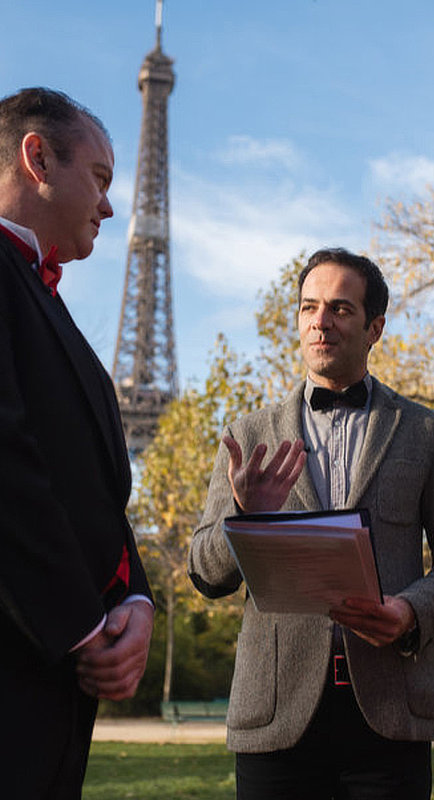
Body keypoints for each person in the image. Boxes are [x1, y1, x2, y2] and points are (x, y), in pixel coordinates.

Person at [189, 247, 434, 799]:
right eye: (308, 307)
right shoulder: (248, 434)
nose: (320, 322)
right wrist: (244, 518)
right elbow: (206, 574)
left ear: (375, 327)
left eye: (340, 309)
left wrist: (411, 612)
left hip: (391, 711)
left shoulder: (427, 432)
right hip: (274, 714)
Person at [0, 88, 154, 799]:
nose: (110, 206)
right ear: (38, 158)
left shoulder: (42, 298)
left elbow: (98, 492)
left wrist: (136, 601)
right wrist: (82, 627)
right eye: (99, 179)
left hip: (53, 679)